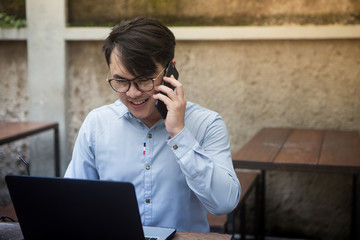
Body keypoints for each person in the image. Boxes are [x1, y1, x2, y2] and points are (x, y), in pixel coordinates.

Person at [64, 17, 241, 232]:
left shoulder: (207, 124)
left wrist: (179, 134)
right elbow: (73, 201)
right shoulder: (97, 123)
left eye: (144, 80)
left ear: (170, 71)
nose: (132, 93)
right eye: (120, 81)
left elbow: (224, 204)